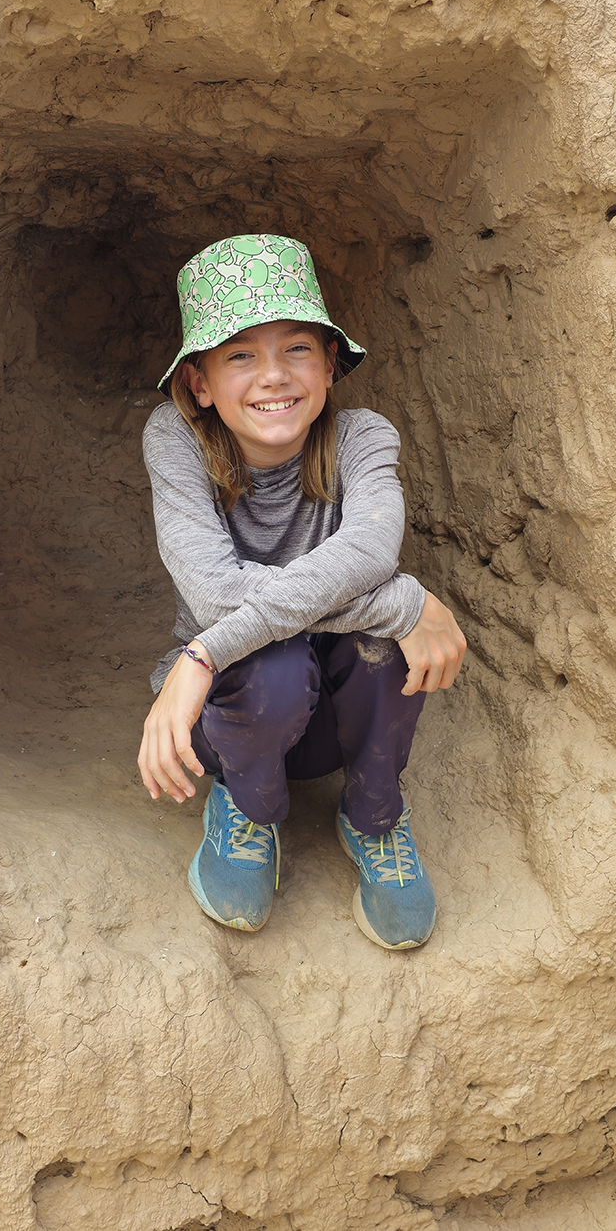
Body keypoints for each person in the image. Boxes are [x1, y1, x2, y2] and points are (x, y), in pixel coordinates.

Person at [137, 233, 466, 950]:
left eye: (296, 349)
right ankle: (249, 808)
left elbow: (371, 551)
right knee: (284, 656)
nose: (273, 376)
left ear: (328, 363)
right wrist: (403, 601)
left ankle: (374, 816)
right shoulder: (175, 438)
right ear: (199, 382)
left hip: (331, 727)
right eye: (239, 356)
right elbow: (215, 592)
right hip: (230, 716)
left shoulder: (363, 438)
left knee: (384, 648)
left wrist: (204, 652)